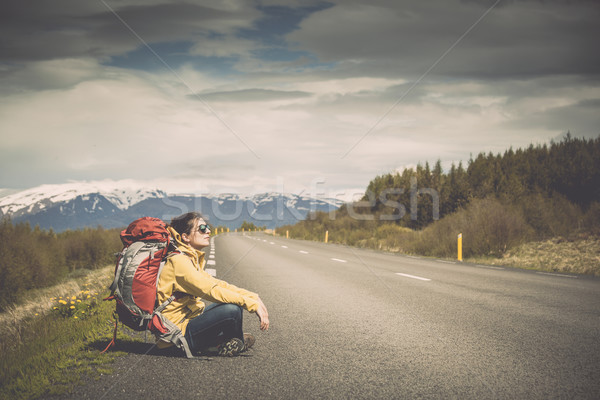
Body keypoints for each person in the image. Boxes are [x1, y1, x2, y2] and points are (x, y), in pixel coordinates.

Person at [156, 212, 269, 356]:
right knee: (231, 310)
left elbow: (218, 284)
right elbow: (211, 290)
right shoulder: (179, 263)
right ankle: (231, 342)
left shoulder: (188, 259)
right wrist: (252, 305)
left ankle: (226, 342)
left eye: (207, 227)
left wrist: (252, 297)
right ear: (185, 237)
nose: (208, 231)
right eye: (202, 228)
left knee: (234, 305)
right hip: (175, 338)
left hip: (187, 324)